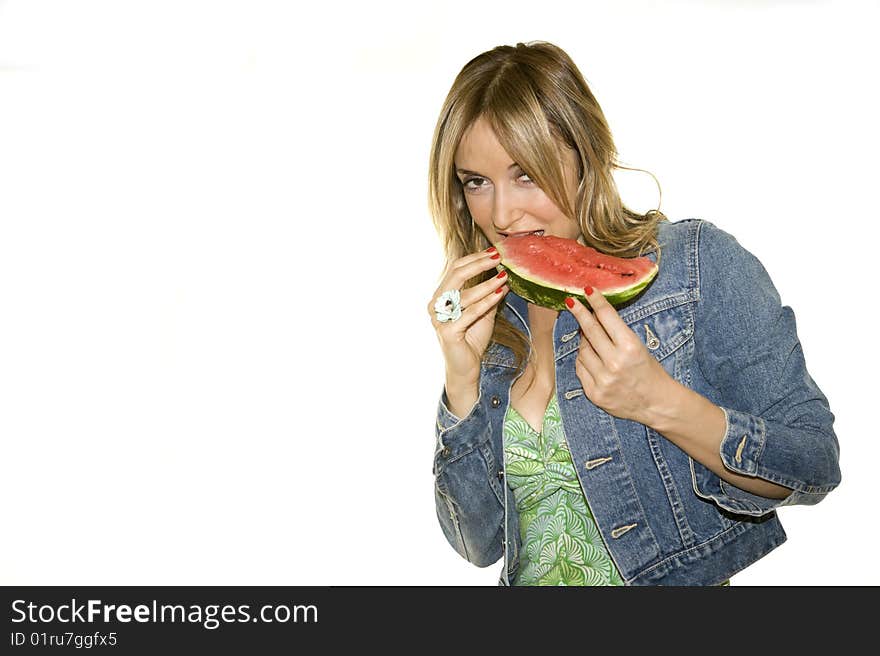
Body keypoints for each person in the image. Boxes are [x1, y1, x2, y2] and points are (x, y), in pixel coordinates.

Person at [426, 41, 841, 586]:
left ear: (584, 154)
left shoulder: (694, 265)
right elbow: (476, 544)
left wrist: (659, 402)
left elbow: (814, 463)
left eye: (525, 173)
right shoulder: (495, 321)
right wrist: (461, 379)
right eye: (475, 182)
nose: (501, 212)